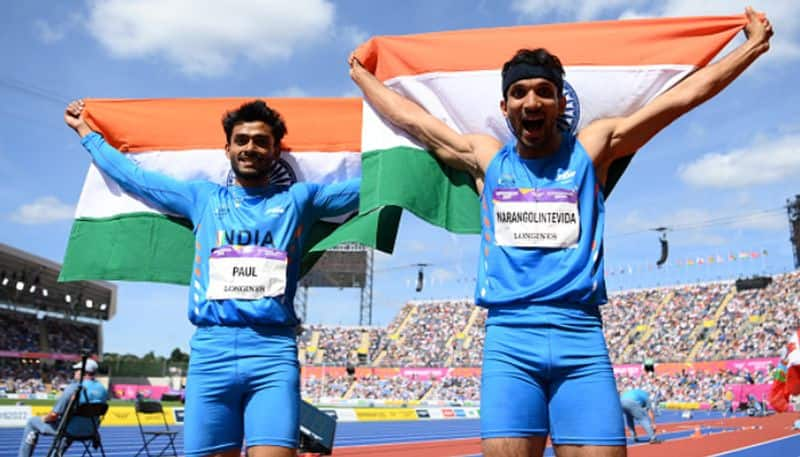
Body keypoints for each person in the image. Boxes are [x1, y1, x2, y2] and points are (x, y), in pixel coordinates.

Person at [349, 7, 771, 457]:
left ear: (561, 103)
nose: (531, 102)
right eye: (519, 93)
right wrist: (362, 76)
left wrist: (750, 48)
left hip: (581, 338)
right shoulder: (487, 159)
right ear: (505, 107)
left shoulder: (592, 149)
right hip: (509, 342)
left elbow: (680, 99)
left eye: (544, 92)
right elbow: (415, 122)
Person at [64, 99, 360, 457]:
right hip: (211, 355)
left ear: (276, 150)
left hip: (272, 355)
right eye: (242, 139)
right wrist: (86, 133)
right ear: (228, 148)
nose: (250, 147)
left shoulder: (300, 199)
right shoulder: (202, 197)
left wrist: (423, 146)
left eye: (261, 141)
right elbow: (136, 179)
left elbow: (375, 185)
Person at [18, 359, 108, 457]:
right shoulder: (102, 390)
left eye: (77, 370)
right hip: (90, 431)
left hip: (70, 430)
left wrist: (44, 418)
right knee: (69, 424)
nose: (75, 372)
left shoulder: (74, 388)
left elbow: (54, 415)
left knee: (32, 422)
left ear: (82, 372)